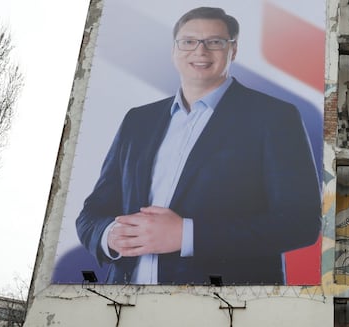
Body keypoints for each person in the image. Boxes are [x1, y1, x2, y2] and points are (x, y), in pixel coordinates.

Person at [76, 6, 321, 285]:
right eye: (189, 42)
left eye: (215, 42)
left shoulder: (275, 117)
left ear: (233, 50)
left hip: (225, 309)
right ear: (174, 50)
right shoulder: (138, 121)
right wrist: (109, 235)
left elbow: (300, 223)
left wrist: (187, 235)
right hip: (121, 305)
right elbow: (92, 212)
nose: (200, 51)